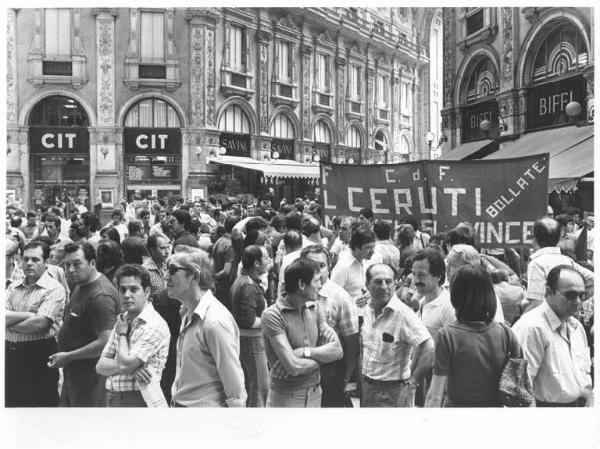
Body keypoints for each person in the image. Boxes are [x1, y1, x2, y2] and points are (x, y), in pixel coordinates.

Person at [425, 264, 520, 407]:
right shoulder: (506, 333)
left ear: (456, 296)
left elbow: (435, 395)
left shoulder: (448, 336)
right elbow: (519, 385)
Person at [168, 249, 246, 407]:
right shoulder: (187, 311)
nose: (165, 276)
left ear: (195, 276)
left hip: (205, 418)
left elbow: (234, 385)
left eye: (173, 271)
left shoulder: (214, 321)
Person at [261, 258, 343, 407]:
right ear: (301, 284)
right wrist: (323, 358)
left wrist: (304, 352)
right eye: (317, 281)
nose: (321, 285)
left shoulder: (315, 308)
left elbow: (337, 351)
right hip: (286, 398)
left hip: (315, 393)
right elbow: (293, 367)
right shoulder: (272, 315)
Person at [50, 242, 120, 407]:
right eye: (67, 265)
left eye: (77, 264)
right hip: (74, 376)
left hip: (91, 380)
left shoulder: (100, 296)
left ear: (92, 263)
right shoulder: (82, 283)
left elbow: (105, 342)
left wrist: (68, 356)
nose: (71, 270)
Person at [513, 265, 593, 407]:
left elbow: (584, 374)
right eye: (571, 295)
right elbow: (520, 387)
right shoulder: (532, 327)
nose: (578, 301)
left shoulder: (576, 327)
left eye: (582, 295)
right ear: (549, 292)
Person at [96, 264, 170, 407]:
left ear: (147, 292)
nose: (127, 295)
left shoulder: (154, 324)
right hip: (113, 396)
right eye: (122, 290)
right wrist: (133, 368)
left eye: (134, 289)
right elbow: (101, 366)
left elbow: (125, 364)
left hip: (139, 398)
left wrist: (123, 334)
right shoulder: (123, 319)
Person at [360, 263, 434, 407]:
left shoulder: (403, 314)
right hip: (368, 387)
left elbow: (429, 348)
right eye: (377, 282)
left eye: (388, 282)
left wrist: (412, 382)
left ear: (395, 284)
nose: (384, 287)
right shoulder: (367, 310)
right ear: (367, 284)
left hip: (393, 392)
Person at [5, 240, 66, 407]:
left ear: (46, 262)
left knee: (41, 405)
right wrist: (27, 314)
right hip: (10, 354)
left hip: (38, 355)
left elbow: (40, 324)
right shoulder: (13, 287)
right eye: (26, 259)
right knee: (12, 405)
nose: (29, 263)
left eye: (35, 259)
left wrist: (8, 323)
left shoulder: (54, 289)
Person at [300, 245, 360, 407]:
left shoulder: (340, 297)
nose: (317, 270)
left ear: (329, 267)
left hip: (329, 371)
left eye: (321, 265)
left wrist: (346, 376)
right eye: (311, 264)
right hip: (299, 367)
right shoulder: (296, 292)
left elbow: (352, 342)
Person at [524, 217, 593, 312]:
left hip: (546, 319)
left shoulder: (536, 264)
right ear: (558, 239)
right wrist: (574, 300)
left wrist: (520, 322)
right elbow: (593, 281)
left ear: (534, 238)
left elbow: (536, 303)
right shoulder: (567, 260)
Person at [230, 245, 271, 407]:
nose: (269, 262)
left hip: (245, 341)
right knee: (260, 388)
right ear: (256, 263)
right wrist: (271, 319)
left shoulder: (243, 281)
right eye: (266, 259)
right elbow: (249, 320)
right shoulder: (248, 286)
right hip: (252, 342)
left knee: (251, 386)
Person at [330, 225, 375, 321]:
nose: (372, 251)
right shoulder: (343, 267)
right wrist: (352, 303)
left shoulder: (368, 261)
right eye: (368, 248)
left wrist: (370, 294)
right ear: (356, 248)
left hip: (367, 316)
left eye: (373, 247)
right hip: (349, 320)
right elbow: (332, 298)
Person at [212, 215, 239, 310]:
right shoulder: (230, 245)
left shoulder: (219, 241)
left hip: (219, 286)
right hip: (227, 287)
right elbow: (226, 271)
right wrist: (213, 277)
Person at [142, 233, 170, 301]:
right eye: (162, 248)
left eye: (168, 247)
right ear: (152, 250)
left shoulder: (166, 265)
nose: (167, 252)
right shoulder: (145, 270)